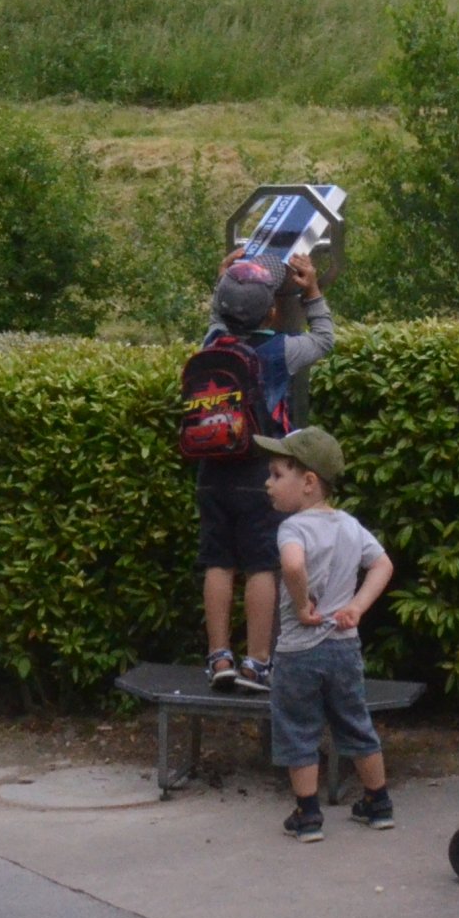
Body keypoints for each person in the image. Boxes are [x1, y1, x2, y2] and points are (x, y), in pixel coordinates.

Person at [192, 251, 332, 695]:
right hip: (260, 471)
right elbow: (324, 340)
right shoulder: (280, 351)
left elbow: (219, 315)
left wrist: (225, 281)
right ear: (272, 311)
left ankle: (219, 659)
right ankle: (257, 664)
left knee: (218, 562)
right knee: (259, 566)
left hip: (211, 468)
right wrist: (312, 292)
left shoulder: (212, 343)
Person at [256, 426, 393, 841]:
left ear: (309, 482)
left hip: (299, 651)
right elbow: (382, 564)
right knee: (355, 722)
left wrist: (301, 606)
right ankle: (378, 803)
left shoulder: (292, 528)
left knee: (298, 728)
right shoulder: (350, 525)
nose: (268, 483)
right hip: (344, 647)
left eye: (278, 474)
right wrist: (356, 607)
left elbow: (293, 565)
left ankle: (308, 814)